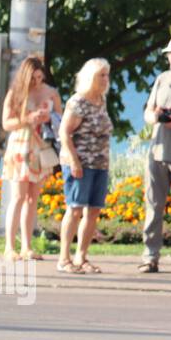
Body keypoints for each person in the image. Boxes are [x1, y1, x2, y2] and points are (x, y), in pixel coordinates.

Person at [0, 55, 61, 261]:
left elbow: (61, 120)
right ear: (25, 77)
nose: (37, 82)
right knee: (17, 197)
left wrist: (47, 117)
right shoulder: (16, 93)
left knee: (32, 198)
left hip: (41, 145)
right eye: (33, 78)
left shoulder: (51, 93)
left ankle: (27, 246)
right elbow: (6, 123)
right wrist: (27, 119)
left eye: (39, 77)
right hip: (21, 145)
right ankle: (10, 246)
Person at [56, 59, 113, 274]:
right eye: (101, 75)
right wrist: (74, 161)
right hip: (80, 163)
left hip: (100, 163)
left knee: (94, 210)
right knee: (75, 208)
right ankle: (64, 258)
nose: (106, 80)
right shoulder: (78, 102)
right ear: (90, 77)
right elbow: (64, 132)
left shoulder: (101, 99)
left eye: (107, 75)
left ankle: (82, 256)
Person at [139, 34, 171, 274]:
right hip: (157, 152)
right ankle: (150, 257)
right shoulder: (162, 79)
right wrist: (155, 117)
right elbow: (147, 112)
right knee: (153, 206)